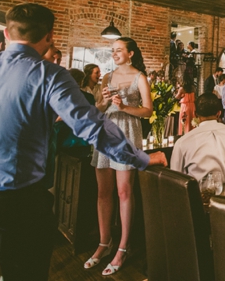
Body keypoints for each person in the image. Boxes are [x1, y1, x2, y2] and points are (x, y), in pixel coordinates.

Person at [0, 3, 166, 281]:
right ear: (50, 36)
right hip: (17, 209)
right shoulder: (49, 75)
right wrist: (141, 158)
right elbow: (93, 128)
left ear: (6, 32)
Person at [89, 37, 154, 275]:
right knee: (103, 192)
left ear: (131, 53)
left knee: (123, 191)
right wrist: (105, 102)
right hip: (105, 132)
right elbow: (96, 110)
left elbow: (148, 111)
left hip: (127, 132)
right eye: (112, 51)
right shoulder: (107, 77)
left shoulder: (140, 77)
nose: (114, 54)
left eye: (118, 50)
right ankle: (103, 243)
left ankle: (123, 248)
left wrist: (125, 107)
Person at [171, 93, 225, 182]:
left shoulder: (182, 142)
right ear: (219, 114)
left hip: (203, 194)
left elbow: (175, 180)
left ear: (195, 114)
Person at [176, 68, 196, 134]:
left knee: (185, 121)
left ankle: (184, 133)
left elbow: (177, 97)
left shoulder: (182, 88)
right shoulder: (193, 87)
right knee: (191, 121)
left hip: (185, 107)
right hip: (192, 106)